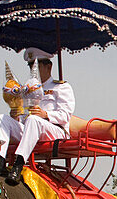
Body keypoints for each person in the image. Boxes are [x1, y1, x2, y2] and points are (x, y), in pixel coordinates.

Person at [5, 48, 75, 185]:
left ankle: (18, 164)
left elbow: (65, 115)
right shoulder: (27, 90)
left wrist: (46, 114)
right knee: (3, 119)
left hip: (55, 130)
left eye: (36, 65)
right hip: (31, 131)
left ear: (48, 66)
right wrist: (16, 116)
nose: (33, 69)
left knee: (33, 119)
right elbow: (25, 117)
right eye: (30, 66)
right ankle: (0, 161)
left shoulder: (61, 87)